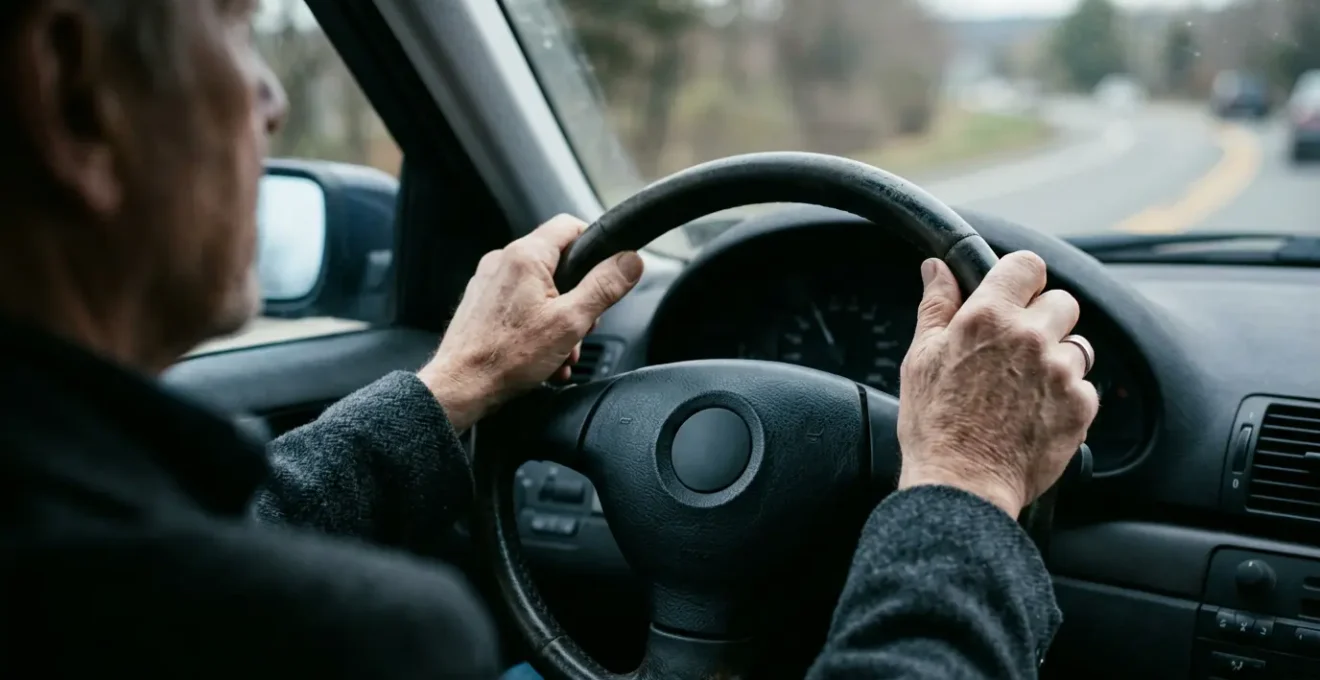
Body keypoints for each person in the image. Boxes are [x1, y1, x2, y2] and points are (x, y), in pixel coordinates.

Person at [0, 2, 1098, 679]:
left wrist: (452, 386)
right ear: (76, 97)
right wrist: (961, 488)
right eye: (236, 23)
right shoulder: (345, 641)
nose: (270, 98)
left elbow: (226, 525)